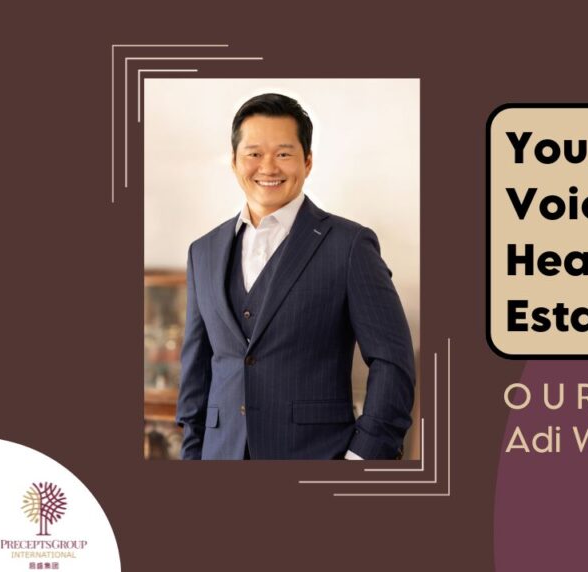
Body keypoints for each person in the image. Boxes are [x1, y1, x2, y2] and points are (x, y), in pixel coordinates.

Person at [176, 93, 415, 460]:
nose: (268, 167)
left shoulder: (349, 245)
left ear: (307, 162)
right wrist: (192, 454)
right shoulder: (202, 252)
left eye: (284, 153)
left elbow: (393, 361)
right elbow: (197, 371)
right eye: (254, 153)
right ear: (235, 163)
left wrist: (363, 456)